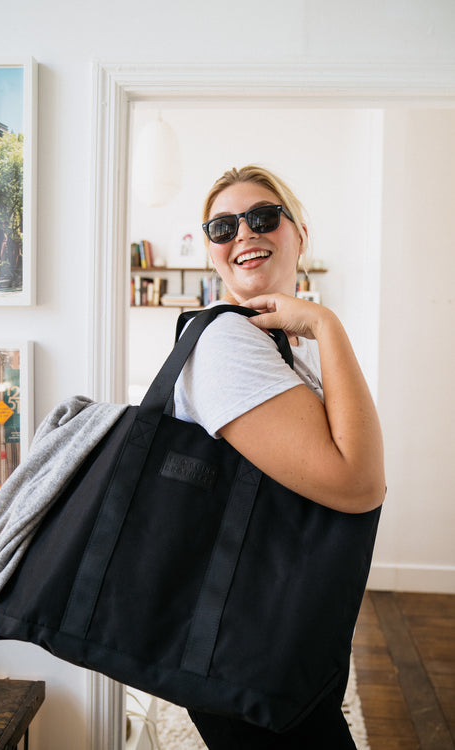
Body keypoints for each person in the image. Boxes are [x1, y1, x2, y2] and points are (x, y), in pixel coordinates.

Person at [174, 164, 386, 749]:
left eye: (263, 217)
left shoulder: (279, 344)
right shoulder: (226, 342)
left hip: (275, 624)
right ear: (211, 251)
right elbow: (359, 482)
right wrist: (327, 323)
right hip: (241, 640)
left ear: (300, 234)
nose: (243, 234)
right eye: (222, 227)